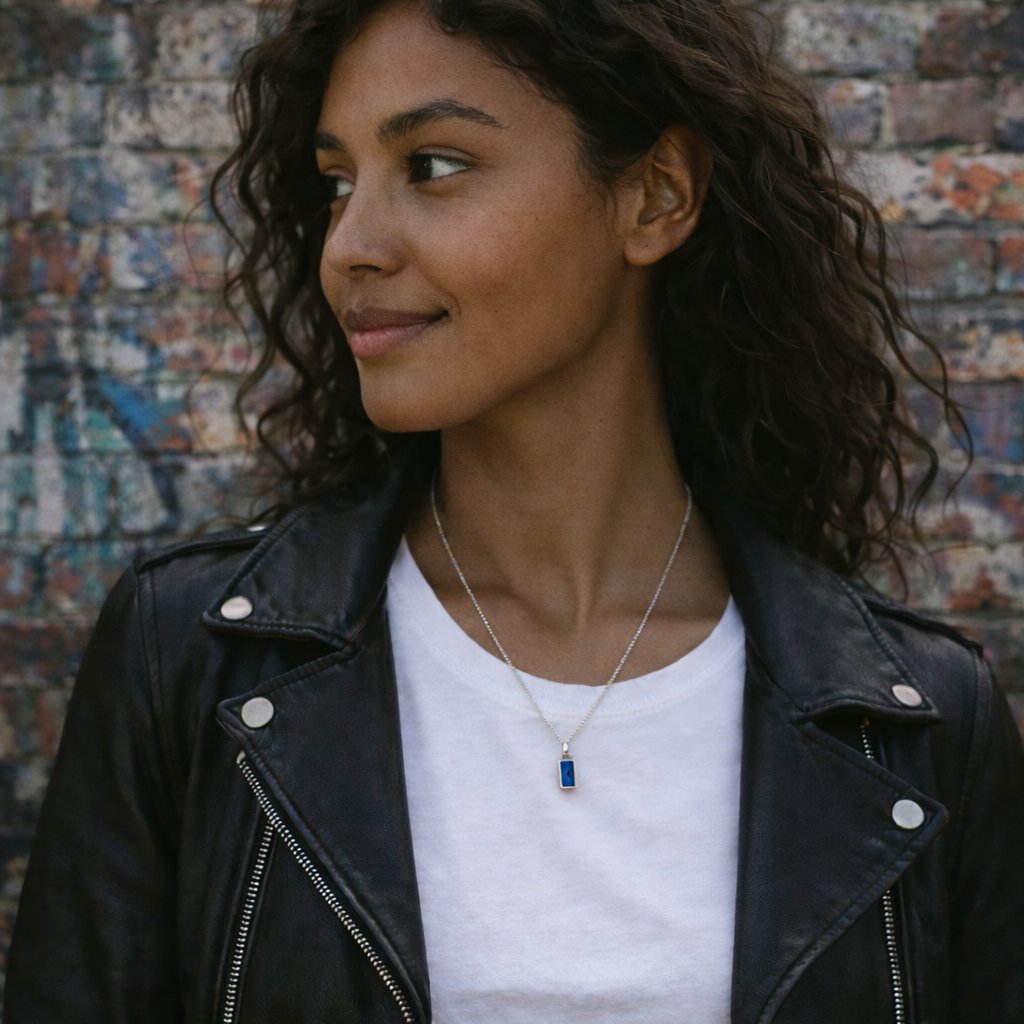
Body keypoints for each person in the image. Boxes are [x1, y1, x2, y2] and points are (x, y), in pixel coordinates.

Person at [6, 0, 1024, 1021]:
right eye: (336, 182)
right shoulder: (185, 662)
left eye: (435, 165)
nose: (349, 246)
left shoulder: (919, 725)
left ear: (656, 197)